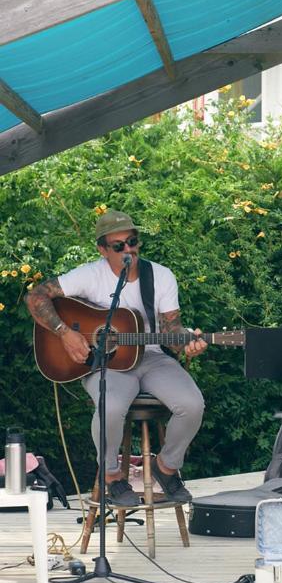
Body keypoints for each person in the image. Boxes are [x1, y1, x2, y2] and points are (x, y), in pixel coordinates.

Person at [26, 209, 207, 507]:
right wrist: (64, 333)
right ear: (102, 249)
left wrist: (187, 342)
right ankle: (111, 477)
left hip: (150, 356)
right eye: (118, 246)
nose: (128, 250)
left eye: (132, 242)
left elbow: (170, 330)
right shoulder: (89, 275)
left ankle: (167, 467)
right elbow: (36, 297)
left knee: (192, 405)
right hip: (106, 362)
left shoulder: (160, 277)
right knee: (110, 407)